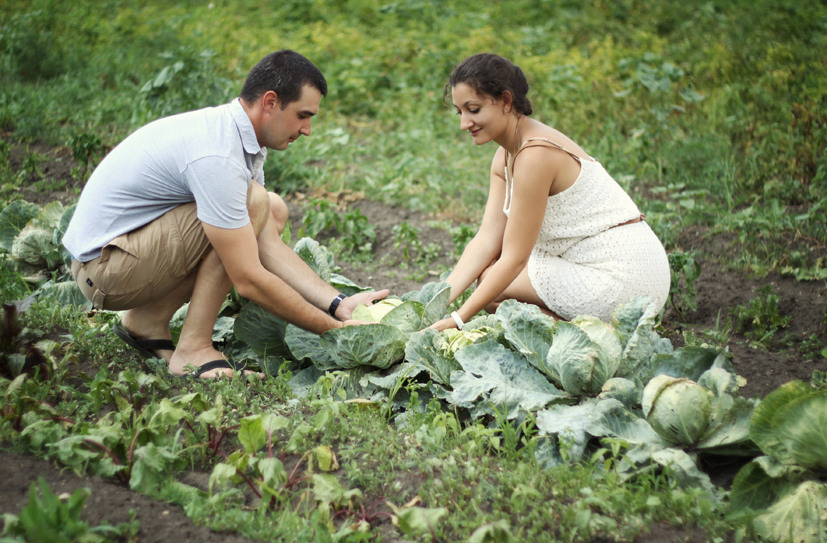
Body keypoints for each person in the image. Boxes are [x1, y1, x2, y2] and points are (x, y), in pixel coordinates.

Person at [62, 50, 388, 379]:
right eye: (303, 115)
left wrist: (337, 303)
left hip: (122, 257)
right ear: (271, 102)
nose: (307, 130)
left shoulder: (235, 136)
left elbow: (266, 245)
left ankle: (146, 322)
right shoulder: (217, 153)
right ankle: (193, 349)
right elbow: (248, 279)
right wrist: (332, 330)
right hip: (105, 270)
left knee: (269, 209)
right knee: (254, 204)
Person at [431, 53, 670, 331]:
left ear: (506, 101)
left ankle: (595, 335)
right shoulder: (504, 155)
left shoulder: (535, 156)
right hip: (620, 268)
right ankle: (590, 331)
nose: (464, 123)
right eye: (460, 112)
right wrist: (432, 302)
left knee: (492, 285)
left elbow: (514, 258)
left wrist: (456, 320)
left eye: (473, 110)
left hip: (624, 276)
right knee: (492, 276)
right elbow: (487, 238)